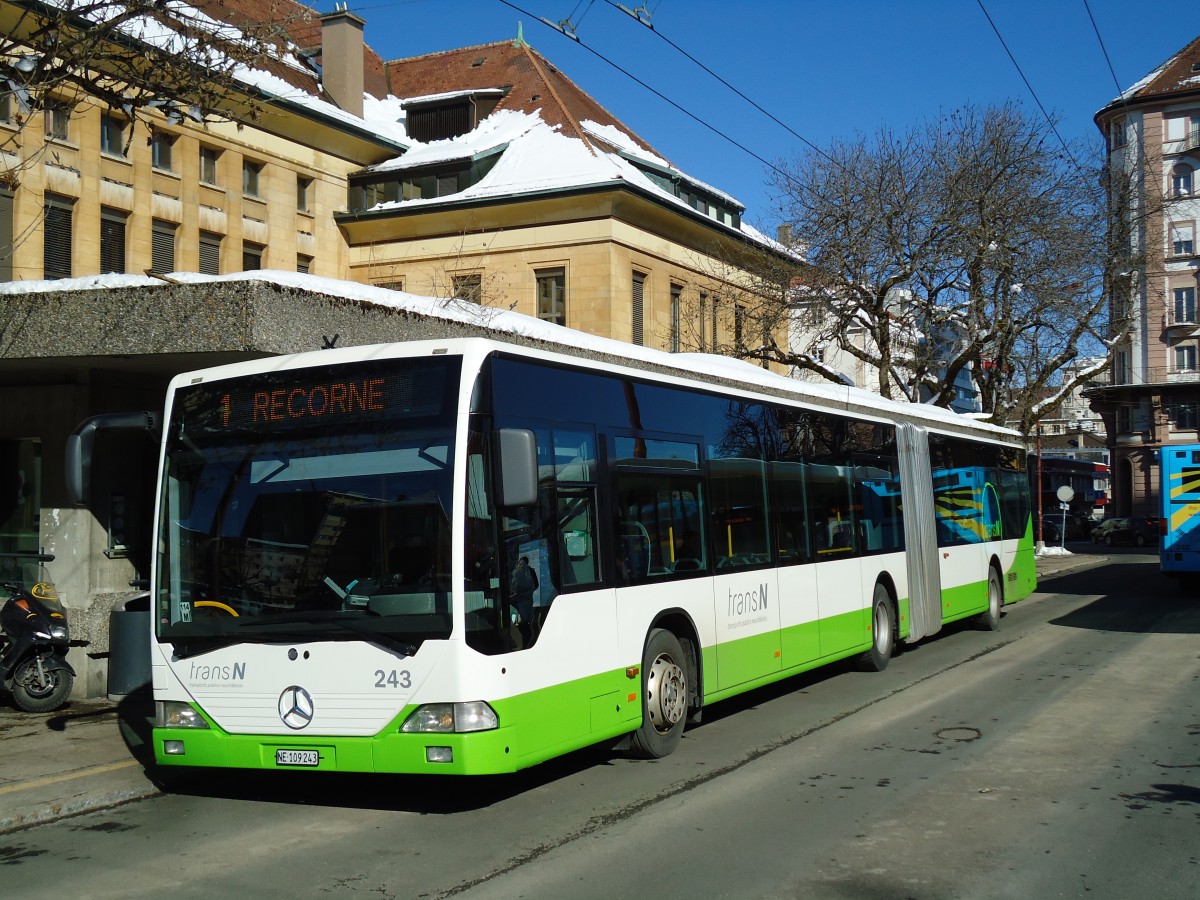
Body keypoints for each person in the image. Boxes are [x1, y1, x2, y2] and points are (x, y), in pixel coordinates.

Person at [509, 556, 539, 646]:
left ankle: (527, 644)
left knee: (524, 625)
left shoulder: (516, 572)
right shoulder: (528, 571)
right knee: (525, 624)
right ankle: (527, 644)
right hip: (525, 600)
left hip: (520, 601)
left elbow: (513, 587)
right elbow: (536, 585)